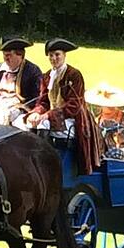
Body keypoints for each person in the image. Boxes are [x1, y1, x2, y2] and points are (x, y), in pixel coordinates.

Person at [25, 38, 102, 175]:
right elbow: (43, 101)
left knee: (44, 124)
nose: (54, 58)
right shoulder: (47, 76)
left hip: (74, 119)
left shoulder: (74, 75)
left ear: (64, 55)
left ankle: (45, 163)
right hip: (54, 117)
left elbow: (74, 106)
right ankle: (29, 160)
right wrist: (36, 113)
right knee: (28, 121)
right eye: (51, 55)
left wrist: (48, 115)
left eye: (57, 54)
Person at [0, 35, 44, 139]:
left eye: (9, 55)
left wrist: (18, 107)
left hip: (19, 110)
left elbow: (37, 97)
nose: (6, 58)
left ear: (19, 55)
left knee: (20, 127)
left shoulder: (32, 71)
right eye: (4, 55)